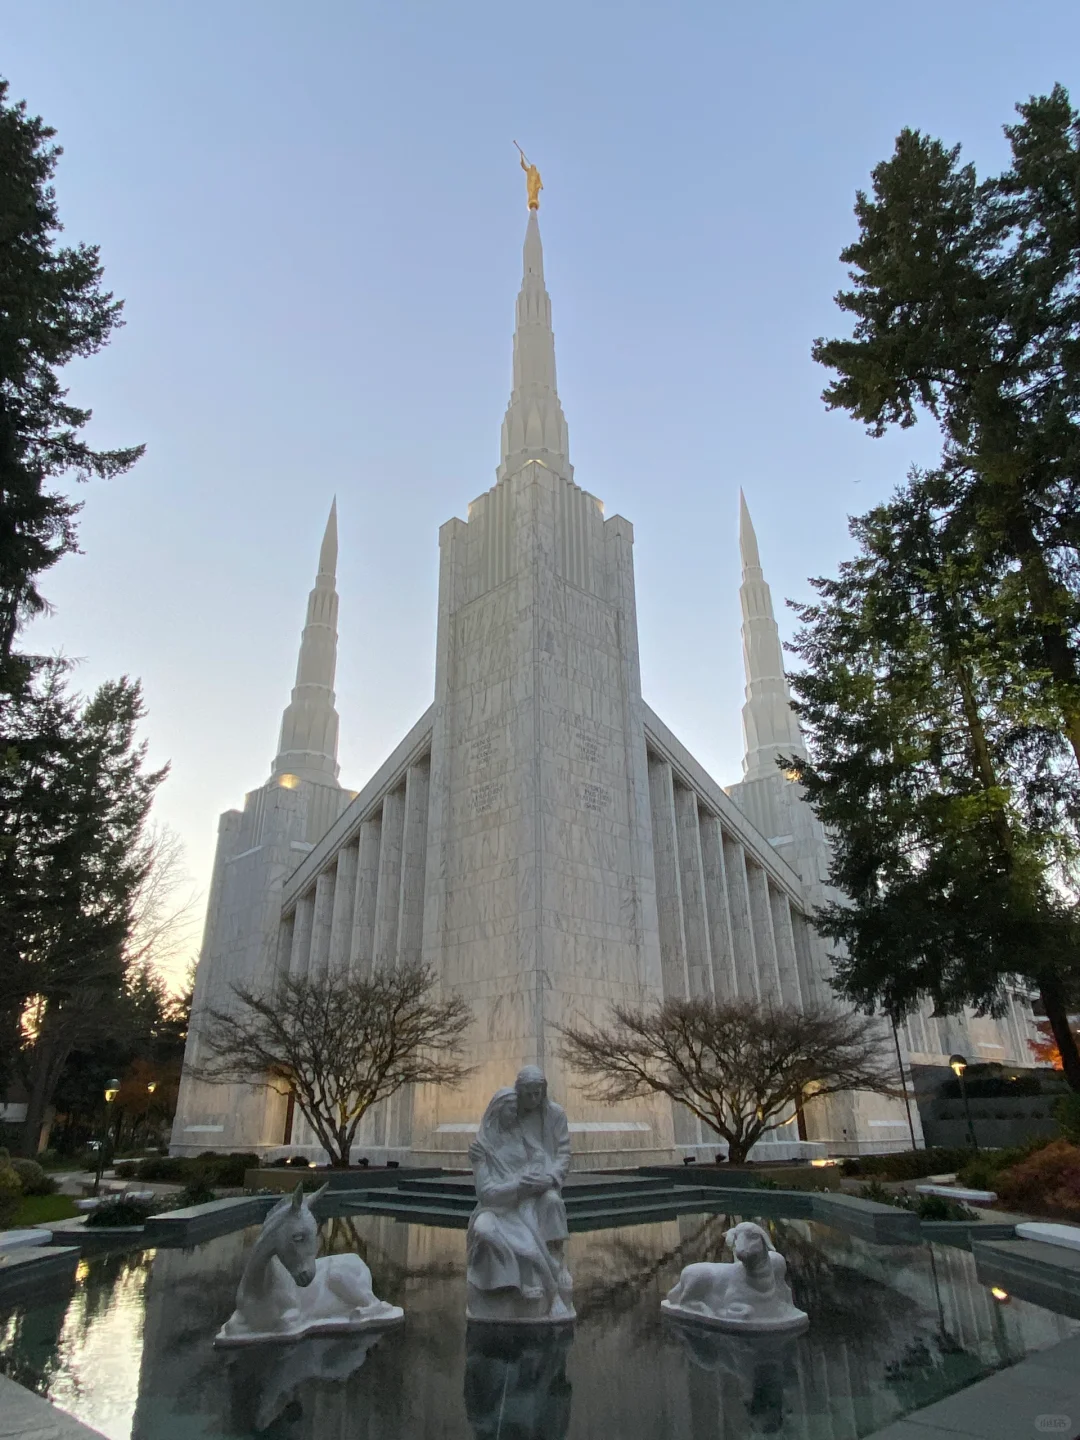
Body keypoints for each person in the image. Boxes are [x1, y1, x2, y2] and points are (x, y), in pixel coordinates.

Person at [466, 1067, 573, 1320]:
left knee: (552, 1202)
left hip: (536, 1188)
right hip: (503, 1202)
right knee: (508, 1230)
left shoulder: (553, 1115)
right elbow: (486, 1191)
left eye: (538, 1094)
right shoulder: (488, 1143)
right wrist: (519, 1186)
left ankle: (556, 1262)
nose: (532, 1100)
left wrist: (547, 1177)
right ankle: (523, 1277)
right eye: (527, 1095)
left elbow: (556, 1154)